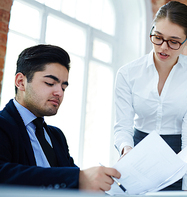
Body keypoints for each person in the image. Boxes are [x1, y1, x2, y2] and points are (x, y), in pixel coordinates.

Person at [114, 1, 187, 191]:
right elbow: (122, 125)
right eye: (157, 37)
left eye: (174, 41)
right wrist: (127, 149)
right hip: (137, 150)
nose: (163, 47)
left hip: (177, 154)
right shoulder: (127, 73)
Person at [0, 44, 120, 192]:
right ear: (20, 82)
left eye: (63, 87)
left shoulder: (57, 136)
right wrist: (78, 178)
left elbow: (75, 183)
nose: (60, 93)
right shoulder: (3, 125)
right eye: (50, 83)